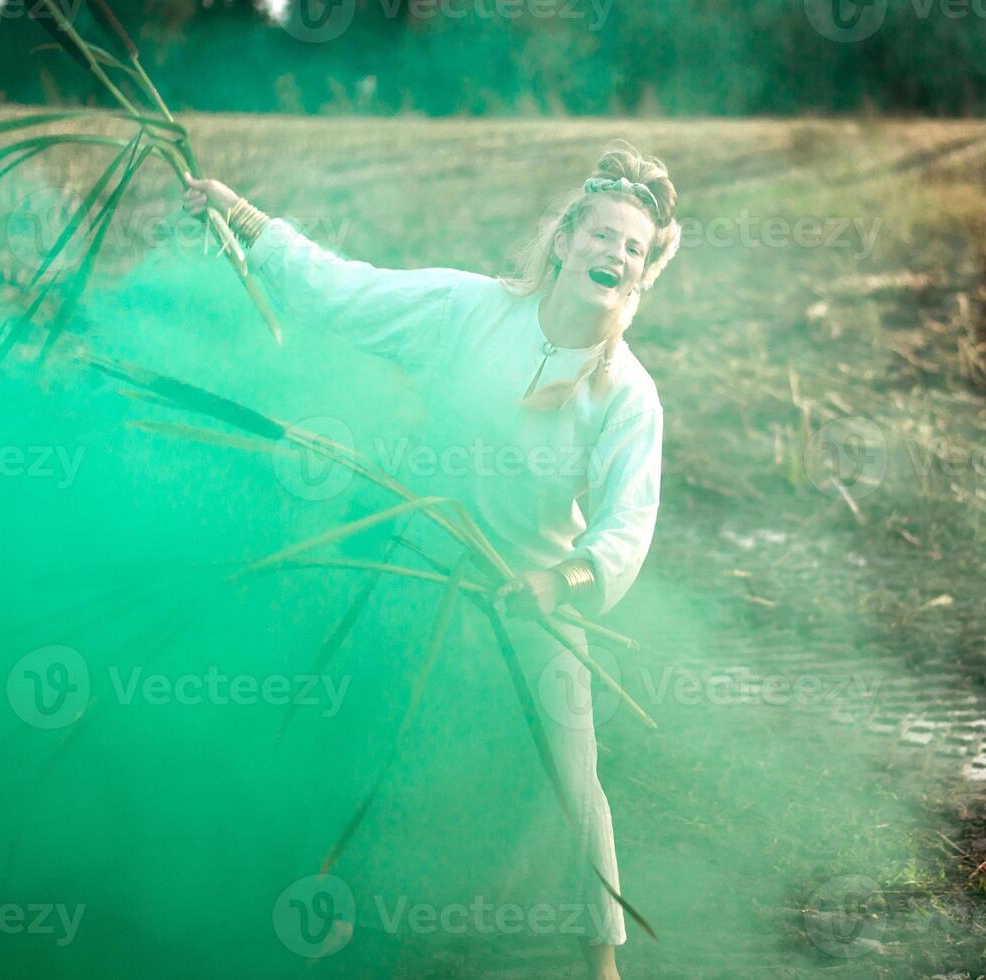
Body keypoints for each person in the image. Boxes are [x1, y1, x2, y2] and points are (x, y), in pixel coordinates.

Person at [182, 141, 681, 980]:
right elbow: (344, 290)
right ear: (564, 241)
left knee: (570, 774)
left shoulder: (626, 391)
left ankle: (600, 963)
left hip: (532, 597)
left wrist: (556, 582)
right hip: (415, 567)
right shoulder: (466, 309)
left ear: (638, 279)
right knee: (356, 732)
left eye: (631, 248)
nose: (614, 253)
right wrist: (243, 218)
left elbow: (628, 521)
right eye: (601, 235)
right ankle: (304, 908)